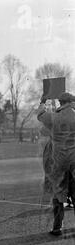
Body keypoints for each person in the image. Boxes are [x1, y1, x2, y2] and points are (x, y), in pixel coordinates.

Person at [37, 92, 75, 236]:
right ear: (70, 102)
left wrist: (43, 101)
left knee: (58, 195)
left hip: (58, 162)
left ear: (60, 102)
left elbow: (40, 115)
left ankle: (57, 227)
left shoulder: (54, 117)